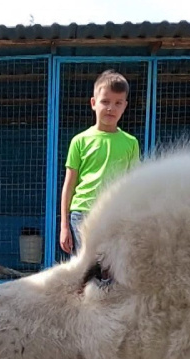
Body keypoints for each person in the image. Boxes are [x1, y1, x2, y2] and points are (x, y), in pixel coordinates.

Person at [60, 69, 141, 256]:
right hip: (83, 212)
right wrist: (64, 226)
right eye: (105, 101)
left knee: (111, 265)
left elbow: (133, 185)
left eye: (118, 103)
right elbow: (69, 185)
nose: (111, 108)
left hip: (115, 213)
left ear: (125, 106)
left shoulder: (131, 143)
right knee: (89, 265)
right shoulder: (80, 140)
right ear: (93, 103)